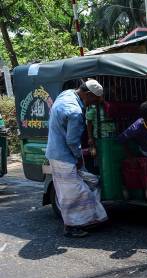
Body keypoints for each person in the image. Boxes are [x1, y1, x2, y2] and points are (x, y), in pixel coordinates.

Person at [45, 79, 108, 238]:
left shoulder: (66, 95)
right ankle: (72, 226)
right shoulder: (75, 112)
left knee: (78, 188)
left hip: (56, 153)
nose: (92, 104)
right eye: (93, 100)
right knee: (74, 193)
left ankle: (87, 220)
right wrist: (79, 158)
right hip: (63, 157)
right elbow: (72, 141)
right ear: (86, 94)